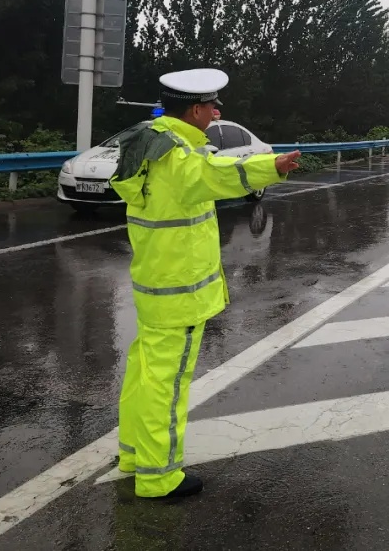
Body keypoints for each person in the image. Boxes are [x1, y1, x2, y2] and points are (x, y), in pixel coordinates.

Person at [108, 68, 300, 498]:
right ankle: (159, 477)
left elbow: (209, 169)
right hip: (180, 289)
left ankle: (134, 456)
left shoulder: (145, 140)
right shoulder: (178, 155)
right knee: (168, 383)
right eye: (212, 106)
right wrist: (274, 165)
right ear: (195, 110)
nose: (216, 111)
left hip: (153, 281)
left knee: (145, 372)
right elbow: (216, 174)